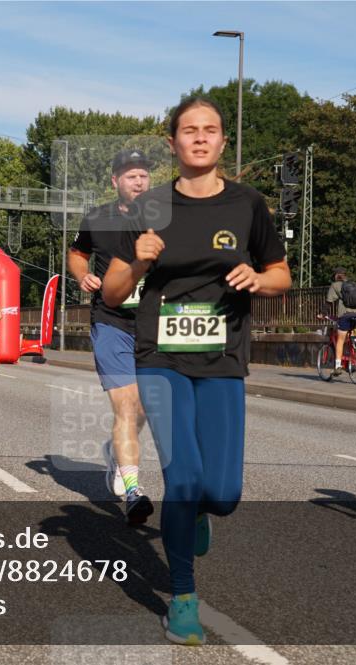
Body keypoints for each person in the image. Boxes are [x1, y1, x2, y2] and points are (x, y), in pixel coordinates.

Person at [102, 97, 291, 645]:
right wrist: (139, 260)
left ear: (223, 141)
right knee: (182, 477)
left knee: (224, 491)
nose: (201, 138)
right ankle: (183, 595)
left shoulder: (248, 204)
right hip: (160, 356)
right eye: (190, 131)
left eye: (211, 130)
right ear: (173, 143)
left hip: (224, 357)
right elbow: (114, 292)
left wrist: (259, 280)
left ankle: (203, 512)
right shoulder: (149, 205)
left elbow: (280, 274)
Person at [69, 148, 155, 524]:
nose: (139, 181)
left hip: (154, 326)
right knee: (125, 405)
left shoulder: (162, 219)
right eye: (131, 175)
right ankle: (134, 488)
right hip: (110, 322)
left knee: (144, 407)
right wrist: (81, 275)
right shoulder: (98, 218)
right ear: (115, 181)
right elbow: (76, 252)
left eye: (143, 175)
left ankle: (117, 453)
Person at [325, 267, 356, 375]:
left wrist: (322, 314)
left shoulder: (335, 285)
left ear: (336, 276)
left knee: (340, 340)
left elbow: (328, 302)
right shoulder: (354, 284)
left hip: (345, 315)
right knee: (353, 336)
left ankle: (338, 366)